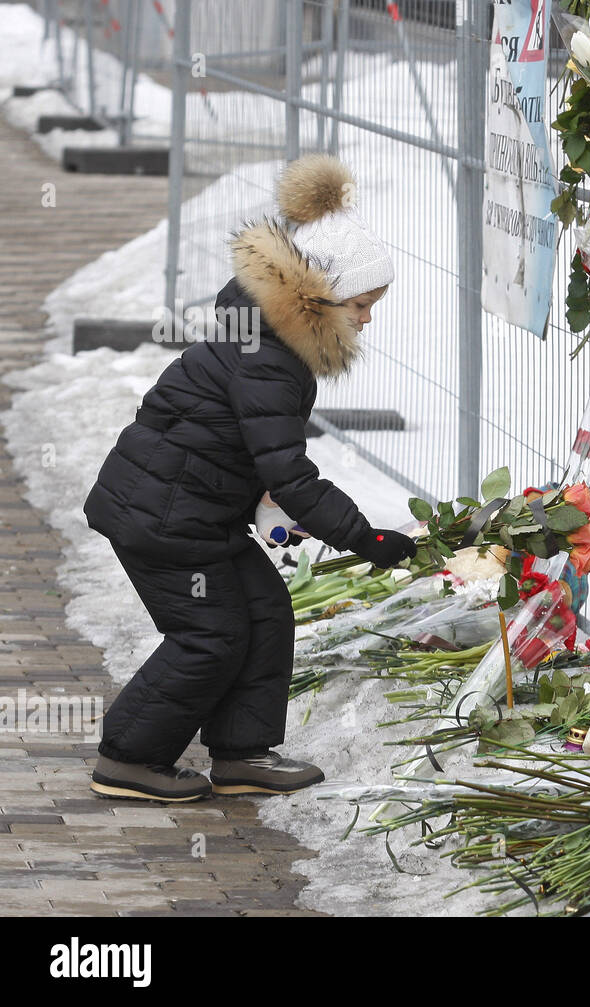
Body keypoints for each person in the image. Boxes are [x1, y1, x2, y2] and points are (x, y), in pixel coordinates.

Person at [82, 154, 418, 802]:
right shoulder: (270, 357)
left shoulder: (272, 340)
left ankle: (241, 753)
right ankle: (128, 755)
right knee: (211, 635)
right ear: (318, 297)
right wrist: (364, 537)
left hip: (192, 511)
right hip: (165, 519)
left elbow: (256, 456)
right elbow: (288, 474)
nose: (369, 318)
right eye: (362, 303)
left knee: (264, 609)